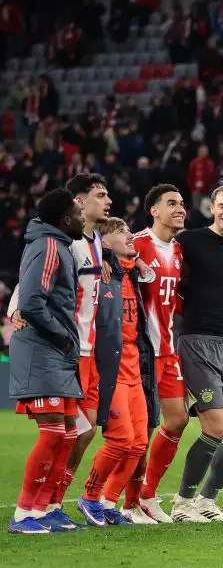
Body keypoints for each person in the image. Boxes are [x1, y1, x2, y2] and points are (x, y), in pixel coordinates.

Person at [171, 184, 223, 522]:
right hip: (197, 342)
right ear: (211, 208)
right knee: (215, 427)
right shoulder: (190, 242)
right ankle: (182, 503)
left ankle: (207, 501)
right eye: (222, 206)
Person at [7, 189, 86, 534]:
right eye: (78, 214)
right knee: (54, 432)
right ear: (66, 220)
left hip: (56, 353)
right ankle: (25, 512)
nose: (82, 219)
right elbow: (33, 301)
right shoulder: (48, 246)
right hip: (42, 351)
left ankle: (44, 509)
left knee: (68, 433)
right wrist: (63, 336)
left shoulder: (60, 246)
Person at [77, 218, 159, 526]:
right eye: (121, 232)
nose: (129, 236)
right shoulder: (100, 273)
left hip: (135, 367)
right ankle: (89, 496)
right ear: (105, 242)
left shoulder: (134, 274)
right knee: (121, 439)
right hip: (109, 369)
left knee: (139, 444)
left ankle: (109, 502)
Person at [49, 174, 111, 512]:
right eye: (101, 195)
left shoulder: (96, 240)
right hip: (70, 352)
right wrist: (16, 309)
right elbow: (39, 276)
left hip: (91, 354)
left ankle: (55, 502)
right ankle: (42, 504)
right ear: (79, 202)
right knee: (64, 433)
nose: (108, 201)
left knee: (85, 434)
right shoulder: (66, 242)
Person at [133, 184, 187, 523]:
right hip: (141, 353)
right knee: (141, 430)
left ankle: (147, 494)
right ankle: (127, 500)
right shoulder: (136, 244)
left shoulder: (179, 251)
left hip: (168, 351)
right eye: (171, 203)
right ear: (154, 210)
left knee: (177, 420)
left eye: (181, 203)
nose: (180, 208)